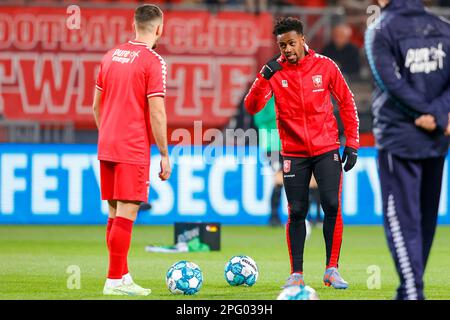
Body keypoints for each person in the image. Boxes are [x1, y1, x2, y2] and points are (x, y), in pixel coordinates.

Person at [245, 17, 360, 290]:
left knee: (331, 205)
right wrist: (263, 78)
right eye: (282, 44)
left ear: (303, 40)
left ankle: (332, 269)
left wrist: (352, 142)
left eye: (291, 43)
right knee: (297, 211)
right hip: (293, 152)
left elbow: (347, 101)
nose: (286, 49)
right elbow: (251, 106)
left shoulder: (326, 66)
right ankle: (296, 273)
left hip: (327, 148)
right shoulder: (273, 72)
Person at [365, 0, 450, 300]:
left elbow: (390, 83)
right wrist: (440, 115)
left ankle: (412, 291)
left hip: (400, 138)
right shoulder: (444, 28)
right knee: (426, 220)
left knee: (402, 221)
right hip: (437, 139)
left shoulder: (380, 29)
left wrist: (426, 114)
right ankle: (412, 289)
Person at [92, 4, 171, 296]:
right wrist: (164, 153)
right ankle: (113, 281)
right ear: (160, 29)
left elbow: (96, 107)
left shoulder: (110, 55)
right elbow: (157, 112)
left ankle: (121, 274)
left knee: (114, 213)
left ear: (133, 23)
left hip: (107, 143)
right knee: (128, 211)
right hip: (131, 146)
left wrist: (109, 134)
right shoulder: (153, 61)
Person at [253, 96, 284, 227]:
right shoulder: (264, 99)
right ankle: (273, 215)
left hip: (286, 145)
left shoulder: (284, 95)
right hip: (271, 146)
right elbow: (258, 119)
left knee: (286, 180)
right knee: (279, 179)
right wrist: (277, 115)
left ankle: (276, 216)